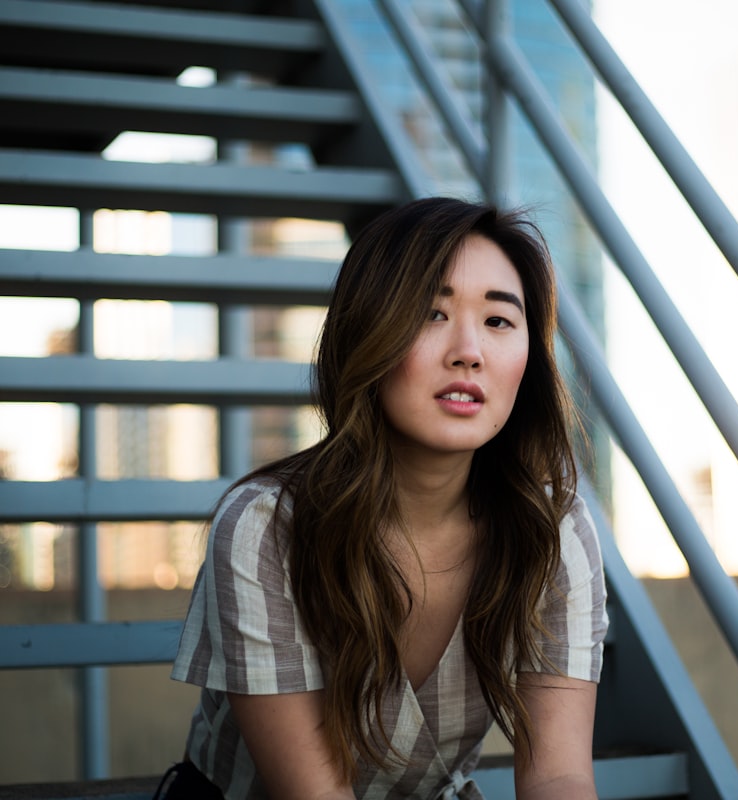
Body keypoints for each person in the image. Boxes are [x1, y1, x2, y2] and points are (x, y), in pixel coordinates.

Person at [160, 197, 608, 799]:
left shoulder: (550, 525)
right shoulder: (264, 528)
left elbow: (559, 774)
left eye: (499, 321)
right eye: (430, 313)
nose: (469, 351)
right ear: (368, 332)